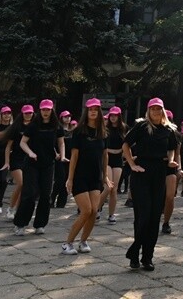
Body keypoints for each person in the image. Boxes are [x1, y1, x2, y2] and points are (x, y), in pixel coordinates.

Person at [123, 98, 178, 271]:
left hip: (159, 173)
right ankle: (135, 251)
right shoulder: (141, 126)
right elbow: (126, 144)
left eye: (158, 109)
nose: (155, 112)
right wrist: (132, 164)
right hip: (141, 172)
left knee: (155, 217)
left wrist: (170, 161)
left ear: (163, 111)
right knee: (143, 215)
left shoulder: (168, 130)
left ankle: (147, 257)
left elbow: (172, 148)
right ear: (148, 110)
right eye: (152, 109)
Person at [13, 99, 66, 235]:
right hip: (32, 164)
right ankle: (21, 223)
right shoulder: (33, 125)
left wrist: (62, 155)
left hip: (48, 164)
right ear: (40, 110)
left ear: (52, 110)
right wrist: (30, 153)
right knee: (29, 194)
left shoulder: (56, 126)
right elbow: (23, 143)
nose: (46, 112)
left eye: (48, 110)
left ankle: (40, 224)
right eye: (43, 110)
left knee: (45, 195)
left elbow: (61, 143)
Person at [62, 98, 107, 255]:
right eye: (90, 109)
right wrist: (70, 178)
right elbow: (74, 157)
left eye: (96, 109)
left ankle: (83, 241)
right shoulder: (79, 131)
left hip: (95, 176)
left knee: (95, 211)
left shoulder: (102, 131)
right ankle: (68, 243)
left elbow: (104, 155)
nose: (93, 111)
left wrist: (105, 176)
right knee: (86, 210)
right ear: (86, 112)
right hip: (80, 176)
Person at [4, 106, 34, 219]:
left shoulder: (34, 126)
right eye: (26, 113)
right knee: (21, 183)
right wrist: (7, 162)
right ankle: (10, 208)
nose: (28, 115)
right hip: (16, 159)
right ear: (22, 114)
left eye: (30, 113)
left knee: (26, 186)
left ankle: (17, 208)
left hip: (29, 159)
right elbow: (8, 146)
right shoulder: (16, 127)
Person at [104, 106, 127, 223]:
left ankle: (111, 214)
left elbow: (126, 145)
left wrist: (121, 152)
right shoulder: (105, 128)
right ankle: (97, 208)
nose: (113, 117)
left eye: (115, 115)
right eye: (111, 115)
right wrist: (111, 151)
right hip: (106, 159)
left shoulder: (123, 128)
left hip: (118, 160)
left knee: (114, 189)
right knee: (108, 187)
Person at [51, 110, 74, 209]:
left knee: (67, 179)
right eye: (65, 116)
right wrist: (55, 153)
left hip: (70, 158)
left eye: (69, 116)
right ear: (61, 118)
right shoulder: (57, 129)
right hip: (59, 157)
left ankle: (62, 201)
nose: (67, 118)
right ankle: (51, 198)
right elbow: (52, 143)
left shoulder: (73, 130)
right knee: (60, 178)